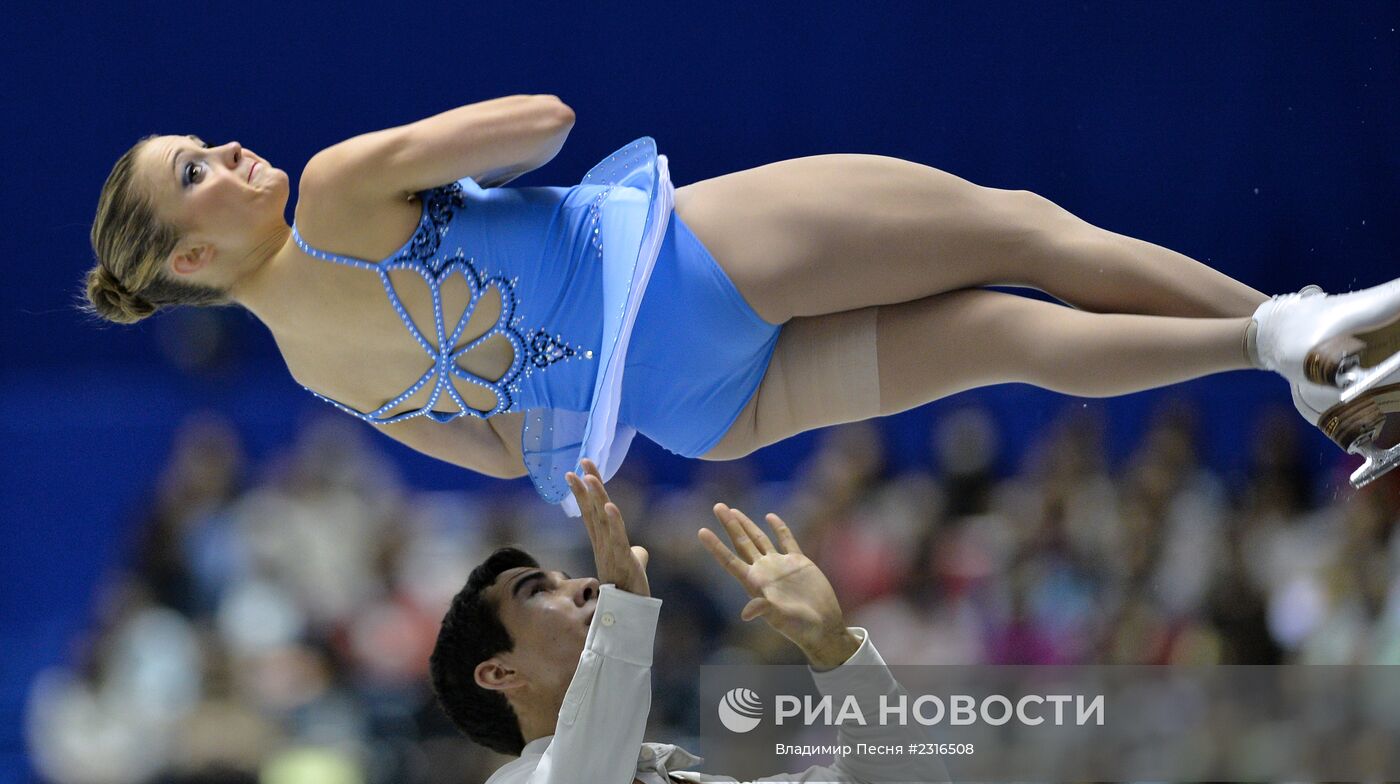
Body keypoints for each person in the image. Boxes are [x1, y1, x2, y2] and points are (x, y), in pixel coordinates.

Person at [84, 95, 1400, 509]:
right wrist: (443, 181)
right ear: (186, 259)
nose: (232, 158)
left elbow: (517, 455)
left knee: (1010, 338)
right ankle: (1296, 328)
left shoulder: (317, 379)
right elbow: (544, 122)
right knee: (1025, 232)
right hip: (679, 263)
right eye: (196, 175)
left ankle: (1285, 361)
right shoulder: (334, 189)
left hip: (690, 409)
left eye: (207, 144)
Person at [428, 460, 959, 784]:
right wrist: (623, 621)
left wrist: (834, 649)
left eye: (568, 576)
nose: (585, 584)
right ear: (499, 673)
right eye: (538, 591)